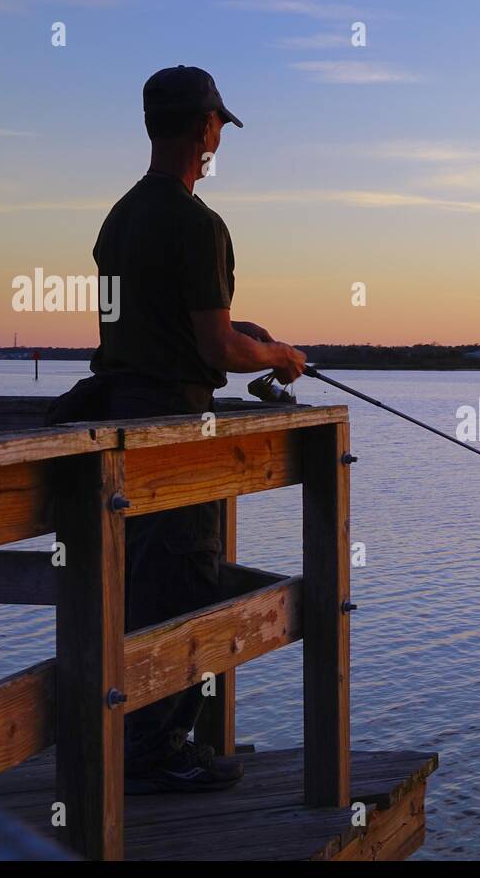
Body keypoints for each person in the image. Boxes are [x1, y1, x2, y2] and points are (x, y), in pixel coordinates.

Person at [46, 66, 307, 793]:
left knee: (136, 581)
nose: (219, 135)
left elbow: (168, 328)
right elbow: (216, 350)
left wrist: (236, 334)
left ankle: (137, 739)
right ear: (203, 130)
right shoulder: (198, 223)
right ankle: (158, 753)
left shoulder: (120, 218)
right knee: (185, 581)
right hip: (171, 427)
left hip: (117, 420)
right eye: (219, 124)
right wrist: (277, 355)